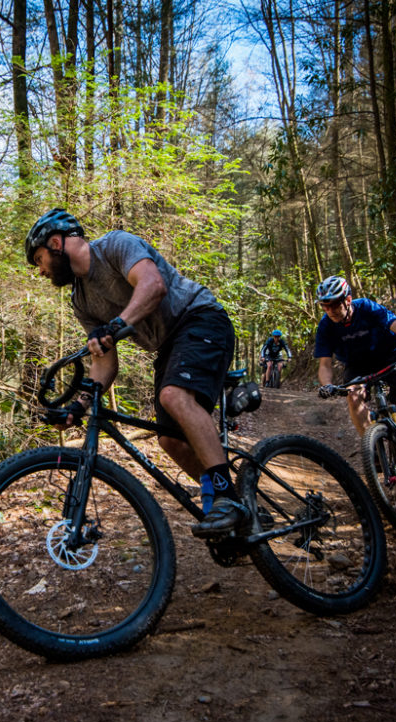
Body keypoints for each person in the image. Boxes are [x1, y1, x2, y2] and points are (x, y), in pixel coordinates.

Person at [25, 208, 254, 538]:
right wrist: (80, 405)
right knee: (170, 440)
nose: (41, 270)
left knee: (173, 396)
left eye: (39, 258)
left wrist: (116, 324)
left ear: (57, 243)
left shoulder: (116, 245)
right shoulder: (80, 300)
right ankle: (237, 507)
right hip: (168, 345)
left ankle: (225, 498)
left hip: (200, 318)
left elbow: (153, 285)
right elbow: (106, 361)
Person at [312, 275, 396, 485]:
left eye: (334, 304)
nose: (330, 310)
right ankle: (376, 449)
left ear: (348, 300)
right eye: (325, 306)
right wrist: (327, 385)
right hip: (357, 364)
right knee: (354, 398)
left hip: (391, 355)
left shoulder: (367, 308)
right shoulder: (326, 326)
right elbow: (325, 364)